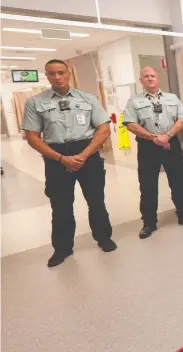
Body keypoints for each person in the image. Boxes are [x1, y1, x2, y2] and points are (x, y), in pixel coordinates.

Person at [22, 59, 117, 267]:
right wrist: (61, 158)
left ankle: (103, 237)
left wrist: (83, 155)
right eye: (52, 73)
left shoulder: (88, 99)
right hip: (56, 157)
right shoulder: (35, 103)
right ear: (46, 75)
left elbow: (103, 129)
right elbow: (32, 137)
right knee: (61, 206)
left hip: (88, 154)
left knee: (96, 201)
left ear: (68, 74)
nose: (58, 77)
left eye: (61, 72)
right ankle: (62, 249)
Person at [123, 67, 183, 239]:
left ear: (158, 78)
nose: (150, 79)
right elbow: (130, 123)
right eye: (146, 77)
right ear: (141, 80)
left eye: (153, 76)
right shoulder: (134, 101)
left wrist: (167, 136)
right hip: (147, 146)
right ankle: (149, 222)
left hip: (171, 144)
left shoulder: (172, 98)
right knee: (148, 185)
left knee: (178, 181)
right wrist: (153, 137)